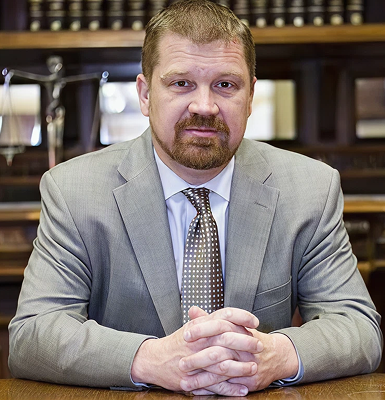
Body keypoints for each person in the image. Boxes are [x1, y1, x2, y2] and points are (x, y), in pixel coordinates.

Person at [8, 0, 382, 396]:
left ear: (251, 95)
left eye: (225, 84)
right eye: (181, 83)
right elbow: (33, 334)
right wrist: (151, 359)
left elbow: (357, 326)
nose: (204, 106)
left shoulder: (310, 188)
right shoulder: (74, 191)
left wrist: (276, 354)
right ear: (145, 94)